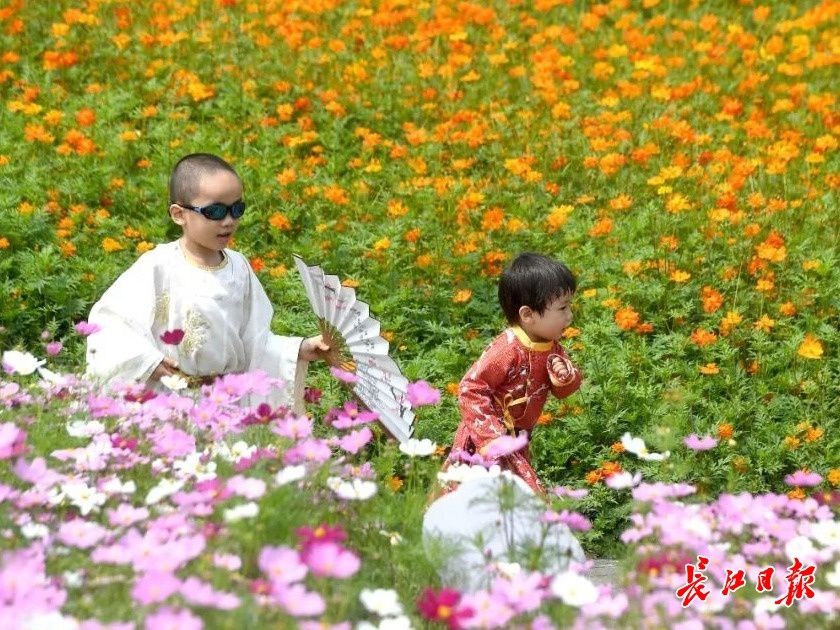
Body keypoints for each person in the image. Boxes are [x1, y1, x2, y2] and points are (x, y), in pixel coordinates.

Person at [84, 153, 329, 412]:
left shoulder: (239, 268)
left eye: (237, 209)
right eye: (215, 211)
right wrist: (147, 361)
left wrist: (300, 348)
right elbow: (110, 322)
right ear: (179, 214)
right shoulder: (158, 266)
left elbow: (255, 342)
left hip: (228, 405)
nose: (228, 221)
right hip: (171, 401)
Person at [445, 252, 583, 495]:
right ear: (527, 315)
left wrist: (565, 377)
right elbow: (470, 388)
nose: (569, 316)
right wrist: (491, 437)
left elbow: (564, 391)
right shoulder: (507, 348)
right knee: (488, 503)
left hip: (518, 443)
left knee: (513, 506)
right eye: (562, 308)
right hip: (484, 444)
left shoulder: (552, 346)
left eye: (569, 306)